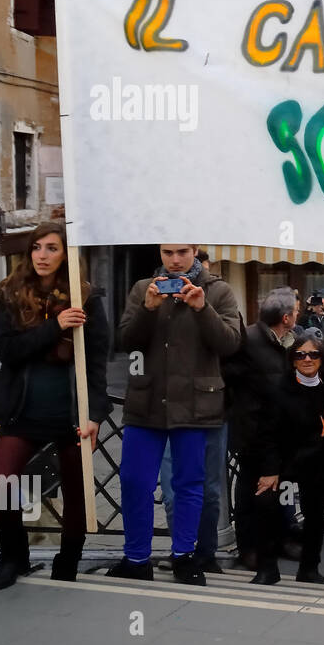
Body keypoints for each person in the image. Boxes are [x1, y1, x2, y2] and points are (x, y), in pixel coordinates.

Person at [0, 222, 111, 588]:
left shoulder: (87, 298)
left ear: (66, 253)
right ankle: (13, 556)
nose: (42, 255)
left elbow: (97, 363)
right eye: (37, 247)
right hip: (21, 412)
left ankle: (68, 560)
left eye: (52, 248)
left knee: (76, 495)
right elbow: (7, 351)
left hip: (71, 414)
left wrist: (95, 416)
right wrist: (54, 326)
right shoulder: (9, 294)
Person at [109, 243, 242, 585]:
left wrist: (202, 308)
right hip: (146, 401)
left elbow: (229, 343)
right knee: (135, 482)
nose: (175, 260)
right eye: (168, 253)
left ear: (195, 250)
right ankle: (136, 558)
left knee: (189, 484)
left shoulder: (219, 291)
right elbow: (126, 341)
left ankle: (185, 556)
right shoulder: (143, 288)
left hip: (195, 403)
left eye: (182, 252)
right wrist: (148, 309)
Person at [243, 328, 324, 584]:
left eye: (313, 355)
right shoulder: (278, 390)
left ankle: (309, 569)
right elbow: (266, 434)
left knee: (315, 514)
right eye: (300, 355)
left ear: (322, 358)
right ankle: (267, 568)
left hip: (317, 463)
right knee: (267, 504)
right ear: (292, 360)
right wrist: (270, 471)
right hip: (283, 463)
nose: (307, 360)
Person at [224, 287, 297, 570]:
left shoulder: (290, 340)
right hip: (251, 426)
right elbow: (231, 373)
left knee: (283, 486)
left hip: (281, 427)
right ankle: (249, 547)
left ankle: (282, 538)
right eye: (296, 310)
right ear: (286, 317)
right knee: (249, 491)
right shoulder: (250, 338)